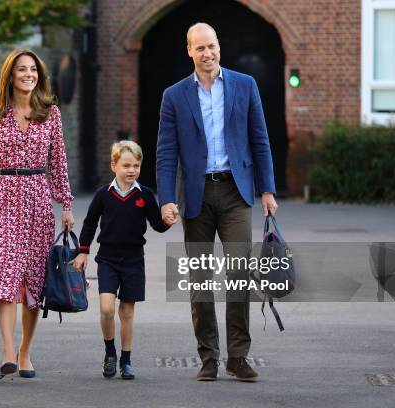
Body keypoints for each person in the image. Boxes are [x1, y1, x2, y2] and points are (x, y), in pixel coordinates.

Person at [156, 23, 278, 382]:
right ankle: (208, 357)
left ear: (219, 47)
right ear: (189, 51)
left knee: (239, 276)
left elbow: (261, 140)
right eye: (200, 48)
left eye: (212, 46)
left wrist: (267, 190)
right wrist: (165, 200)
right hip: (195, 196)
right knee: (200, 280)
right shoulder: (174, 96)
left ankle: (238, 357)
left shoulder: (245, 85)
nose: (207, 54)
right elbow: (166, 154)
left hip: (236, 192)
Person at [0, 49, 74, 378]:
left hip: (38, 201)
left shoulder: (50, 114)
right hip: (6, 199)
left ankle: (25, 351)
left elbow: (58, 164)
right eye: (21, 69)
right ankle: (8, 349)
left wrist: (66, 203)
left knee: (34, 281)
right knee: (4, 275)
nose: (28, 74)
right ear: (10, 75)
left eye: (33, 70)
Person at [73, 141, 174, 380]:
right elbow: (89, 223)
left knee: (127, 313)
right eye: (126, 165)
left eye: (136, 165)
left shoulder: (145, 195)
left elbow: (157, 225)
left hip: (133, 261)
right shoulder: (103, 194)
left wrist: (168, 221)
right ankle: (110, 353)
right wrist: (83, 251)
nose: (131, 170)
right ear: (114, 165)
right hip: (107, 259)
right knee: (107, 309)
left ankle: (126, 360)